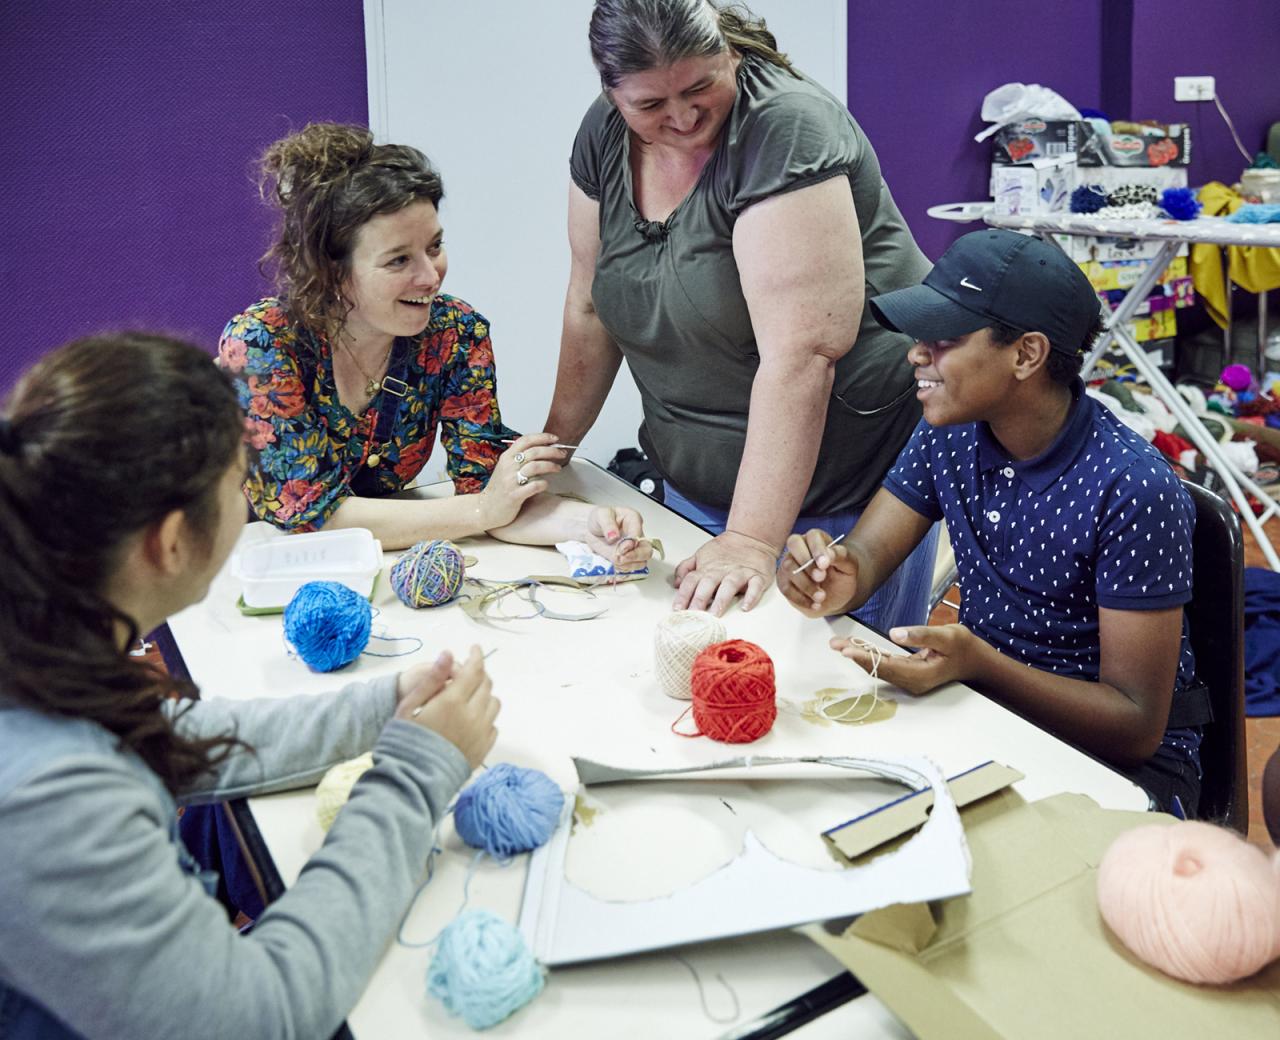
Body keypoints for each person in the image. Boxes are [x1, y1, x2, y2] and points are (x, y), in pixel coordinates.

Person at [0, 333, 499, 1038]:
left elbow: (165, 740)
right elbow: (260, 1016)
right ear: (170, 542)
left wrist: (387, 708)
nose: (249, 504)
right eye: (239, 484)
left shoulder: (42, 639)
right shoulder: (51, 799)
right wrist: (417, 774)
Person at [777, 229, 1212, 816]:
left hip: (1117, 768)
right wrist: (830, 572)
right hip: (985, 710)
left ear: (1026, 354)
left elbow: (1134, 726)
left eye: (944, 339)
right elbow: (868, 556)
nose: (915, 353)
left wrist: (981, 666)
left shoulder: (1132, 488)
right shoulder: (949, 432)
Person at [545, 0, 937, 620]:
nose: (681, 115)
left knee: (831, 697)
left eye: (702, 85)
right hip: (696, 480)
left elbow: (802, 355)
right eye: (650, 105)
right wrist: (550, 453)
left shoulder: (784, 125)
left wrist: (752, 540)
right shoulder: (606, 132)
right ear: (613, 94)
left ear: (729, 52)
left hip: (841, 487)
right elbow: (591, 304)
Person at [221, 122, 650, 570]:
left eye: (435, 246)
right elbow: (308, 519)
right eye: (399, 260)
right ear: (331, 270)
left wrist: (591, 525)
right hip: (261, 571)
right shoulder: (262, 344)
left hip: (383, 569)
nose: (430, 276)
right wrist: (481, 510)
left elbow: (489, 489)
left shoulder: (455, 334)